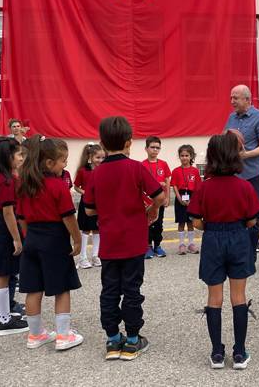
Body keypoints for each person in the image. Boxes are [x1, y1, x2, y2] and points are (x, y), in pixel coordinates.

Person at [84, 116, 165, 361]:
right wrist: (150, 210)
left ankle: (112, 338)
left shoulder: (97, 174)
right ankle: (132, 339)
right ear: (129, 143)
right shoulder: (136, 168)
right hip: (133, 241)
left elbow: (88, 209)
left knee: (109, 290)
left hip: (109, 243)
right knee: (132, 289)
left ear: (102, 143)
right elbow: (159, 195)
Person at [189, 131, 259, 370]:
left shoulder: (205, 187)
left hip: (213, 239)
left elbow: (196, 221)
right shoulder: (245, 187)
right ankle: (239, 352)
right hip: (239, 237)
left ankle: (216, 352)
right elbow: (252, 220)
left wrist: (211, 226)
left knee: (214, 298)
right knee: (238, 297)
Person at [17, 136, 83, 350]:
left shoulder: (26, 185)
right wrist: (77, 238)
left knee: (33, 289)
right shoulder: (57, 186)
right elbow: (68, 217)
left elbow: (21, 218)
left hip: (32, 238)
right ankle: (64, 335)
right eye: (63, 160)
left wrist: (28, 237)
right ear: (49, 163)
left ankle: (35, 335)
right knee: (62, 288)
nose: (65, 165)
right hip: (54, 238)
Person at [0, 136, 29, 336]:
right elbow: (9, 212)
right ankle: (4, 320)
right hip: (4, 227)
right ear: (7, 156)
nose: (20, 158)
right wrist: (17, 238)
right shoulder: (7, 180)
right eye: (18, 154)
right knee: (3, 273)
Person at [224, 85, 259, 260]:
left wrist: (245, 155)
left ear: (247, 99)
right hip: (233, 174)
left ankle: (250, 255)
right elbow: (226, 140)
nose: (232, 102)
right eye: (231, 98)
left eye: (235, 98)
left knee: (252, 215)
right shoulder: (231, 118)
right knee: (234, 214)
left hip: (253, 173)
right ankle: (236, 252)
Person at [74, 142, 105, 269]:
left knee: (98, 229)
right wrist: (85, 193)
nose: (100, 160)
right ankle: (82, 258)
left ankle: (96, 256)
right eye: (98, 157)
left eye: (102, 158)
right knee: (86, 229)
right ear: (90, 157)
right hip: (86, 203)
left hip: (99, 203)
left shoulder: (103, 170)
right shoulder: (83, 171)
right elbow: (76, 187)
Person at [142, 136, 171, 259]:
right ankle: (147, 246)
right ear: (146, 149)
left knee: (159, 223)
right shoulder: (141, 165)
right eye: (152, 147)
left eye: (157, 148)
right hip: (147, 202)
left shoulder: (163, 164)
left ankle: (157, 245)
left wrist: (168, 197)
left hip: (160, 200)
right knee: (147, 224)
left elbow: (167, 181)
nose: (155, 150)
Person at [171, 144, 201, 255]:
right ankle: (181, 244)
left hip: (191, 198)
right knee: (181, 222)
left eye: (187, 155)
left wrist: (192, 201)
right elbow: (174, 186)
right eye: (182, 155)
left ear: (191, 156)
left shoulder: (195, 171)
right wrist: (179, 198)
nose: (184, 157)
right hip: (180, 197)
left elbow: (198, 188)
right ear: (179, 156)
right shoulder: (175, 171)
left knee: (190, 223)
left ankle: (191, 244)